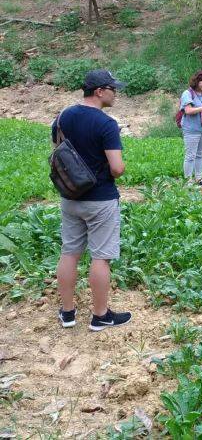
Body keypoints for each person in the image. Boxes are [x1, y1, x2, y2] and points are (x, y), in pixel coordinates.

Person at [51, 69, 131, 331]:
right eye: (112, 88)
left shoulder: (63, 116)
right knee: (101, 257)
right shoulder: (106, 124)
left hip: (71, 196)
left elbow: (59, 153)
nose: (115, 93)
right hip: (100, 200)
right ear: (99, 91)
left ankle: (67, 313)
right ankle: (100, 316)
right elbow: (117, 168)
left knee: (70, 252)